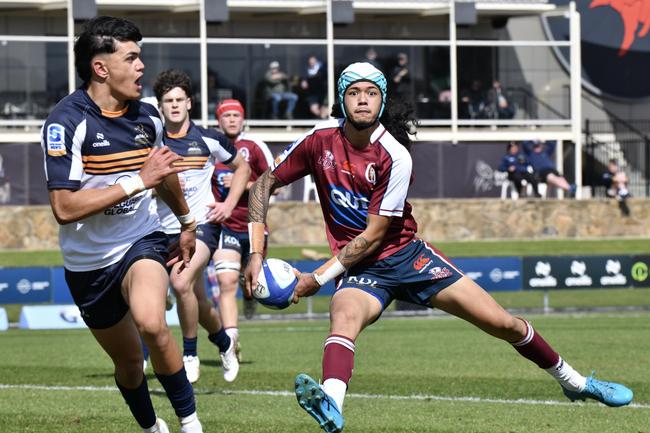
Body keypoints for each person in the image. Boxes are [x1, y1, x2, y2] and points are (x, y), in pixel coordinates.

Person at [243, 62, 633, 433]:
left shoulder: (394, 155)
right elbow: (262, 185)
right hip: (362, 270)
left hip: (407, 257)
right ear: (342, 99)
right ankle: (332, 404)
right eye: (355, 92)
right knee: (343, 316)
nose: (363, 99)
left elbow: (374, 236)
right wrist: (256, 255)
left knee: (504, 324)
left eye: (372, 93)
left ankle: (576, 381)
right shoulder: (319, 140)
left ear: (382, 100)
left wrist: (316, 278)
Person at [42, 16, 203, 433]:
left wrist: (186, 222)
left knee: (152, 322)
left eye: (140, 56)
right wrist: (136, 180)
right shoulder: (66, 122)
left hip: (141, 239)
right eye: (131, 57)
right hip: (88, 262)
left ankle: (190, 423)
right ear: (100, 68)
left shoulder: (147, 118)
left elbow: (164, 173)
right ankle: (152, 427)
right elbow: (64, 207)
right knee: (129, 363)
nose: (141, 67)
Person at [153, 69, 250, 384]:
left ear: (190, 103)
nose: (175, 105)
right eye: (168, 100)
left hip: (202, 227)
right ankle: (224, 343)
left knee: (180, 285)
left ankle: (190, 353)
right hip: (160, 231)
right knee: (196, 298)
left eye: (180, 99)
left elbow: (243, 167)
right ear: (160, 106)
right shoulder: (152, 142)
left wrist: (229, 204)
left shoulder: (209, 138)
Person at [212, 99, 274, 346]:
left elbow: (275, 184)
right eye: (226, 115)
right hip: (224, 225)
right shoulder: (212, 147)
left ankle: (249, 298)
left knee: (251, 286)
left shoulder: (254, 146)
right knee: (226, 282)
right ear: (219, 120)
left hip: (254, 225)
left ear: (242, 119)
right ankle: (231, 341)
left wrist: (244, 184)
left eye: (235, 115)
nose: (231, 119)